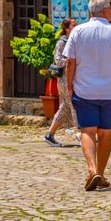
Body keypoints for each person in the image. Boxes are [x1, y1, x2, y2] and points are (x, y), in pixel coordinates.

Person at [64, 0, 111, 192]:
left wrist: (69, 85)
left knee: (87, 131)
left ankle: (92, 170)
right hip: (110, 90)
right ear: (105, 11)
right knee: (105, 133)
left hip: (85, 89)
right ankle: (99, 172)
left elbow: (70, 62)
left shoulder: (78, 31)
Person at [44, 18, 77, 147]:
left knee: (64, 107)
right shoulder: (62, 42)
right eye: (73, 25)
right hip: (64, 79)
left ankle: (49, 134)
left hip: (72, 78)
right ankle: (81, 133)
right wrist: (69, 60)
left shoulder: (73, 41)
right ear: (67, 28)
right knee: (74, 105)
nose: (76, 27)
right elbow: (57, 61)